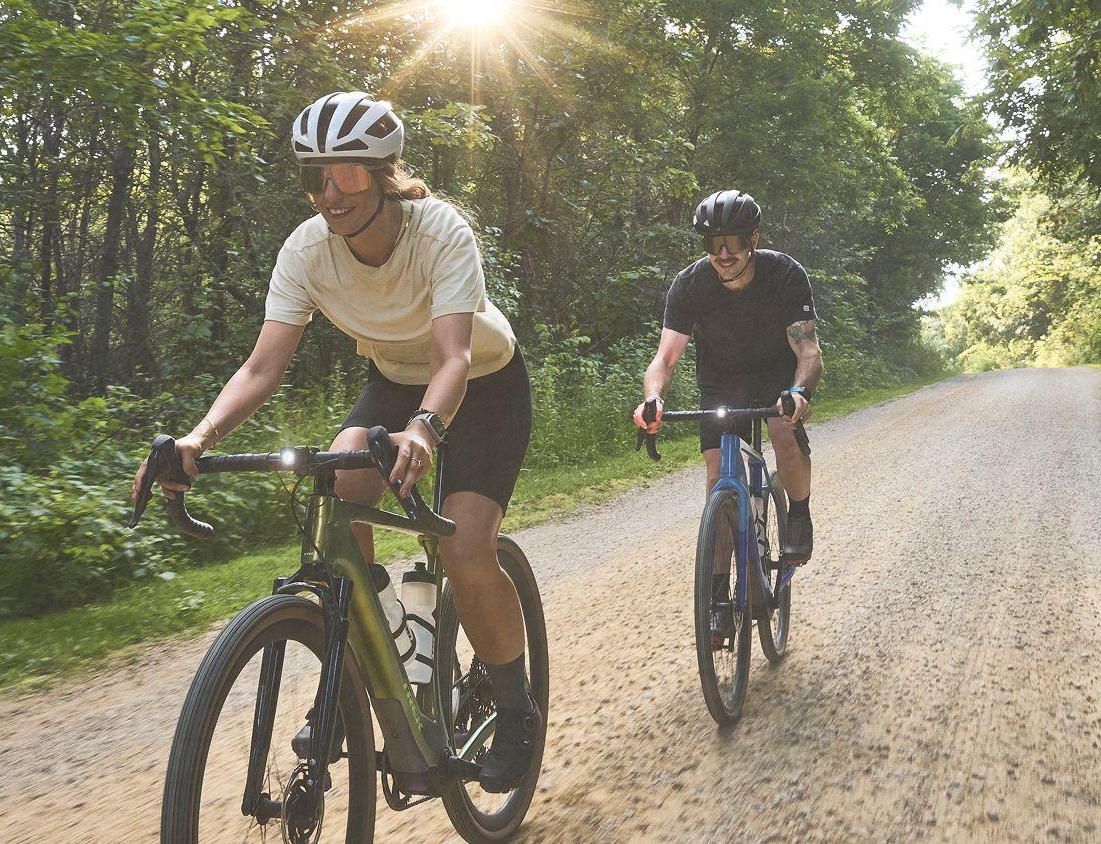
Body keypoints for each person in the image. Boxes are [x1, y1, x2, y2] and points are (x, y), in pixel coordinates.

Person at [133, 91, 538, 792]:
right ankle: (374, 652)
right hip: (394, 380)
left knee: (464, 548)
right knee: (340, 492)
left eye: (345, 174)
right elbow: (261, 369)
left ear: (382, 174)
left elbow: (454, 358)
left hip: (484, 386)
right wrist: (199, 436)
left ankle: (515, 707)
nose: (329, 193)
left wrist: (426, 429)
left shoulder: (439, 231)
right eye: (313, 177)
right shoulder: (307, 251)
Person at [634, 190, 822, 631]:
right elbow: (665, 358)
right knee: (718, 473)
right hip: (721, 381)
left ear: (752, 240)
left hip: (777, 375)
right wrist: (653, 398)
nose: (722, 253)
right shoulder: (690, 284)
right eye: (712, 243)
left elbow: (809, 350)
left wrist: (798, 391)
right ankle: (718, 595)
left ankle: (799, 514)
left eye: (733, 242)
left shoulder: (784, 273)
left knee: (782, 432)